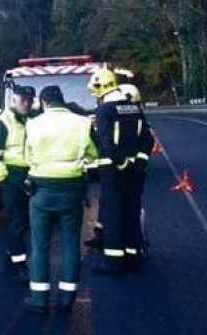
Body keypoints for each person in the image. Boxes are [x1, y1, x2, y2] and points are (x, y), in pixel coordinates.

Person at [23, 85, 99, 313]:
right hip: (72, 192)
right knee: (70, 246)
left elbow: (28, 156)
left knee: (40, 247)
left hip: (41, 192)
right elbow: (94, 155)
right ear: (63, 102)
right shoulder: (82, 123)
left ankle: (39, 300)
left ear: (44, 103)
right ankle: (66, 300)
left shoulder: (33, 124)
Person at [88, 69, 154, 275]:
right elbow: (148, 139)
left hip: (113, 172)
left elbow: (106, 143)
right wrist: (139, 162)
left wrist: (122, 163)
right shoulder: (134, 108)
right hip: (136, 172)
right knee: (132, 211)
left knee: (113, 213)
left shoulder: (104, 111)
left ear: (102, 87)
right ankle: (133, 255)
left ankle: (113, 261)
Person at [0, 85, 36, 280]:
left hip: (29, 174)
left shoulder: (32, 120)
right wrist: (7, 181)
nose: (26, 103)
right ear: (14, 100)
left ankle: (12, 253)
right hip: (11, 177)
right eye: (23, 100)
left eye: (30, 100)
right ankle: (19, 265)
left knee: (23, 221)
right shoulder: (3, 123)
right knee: (16, 221)